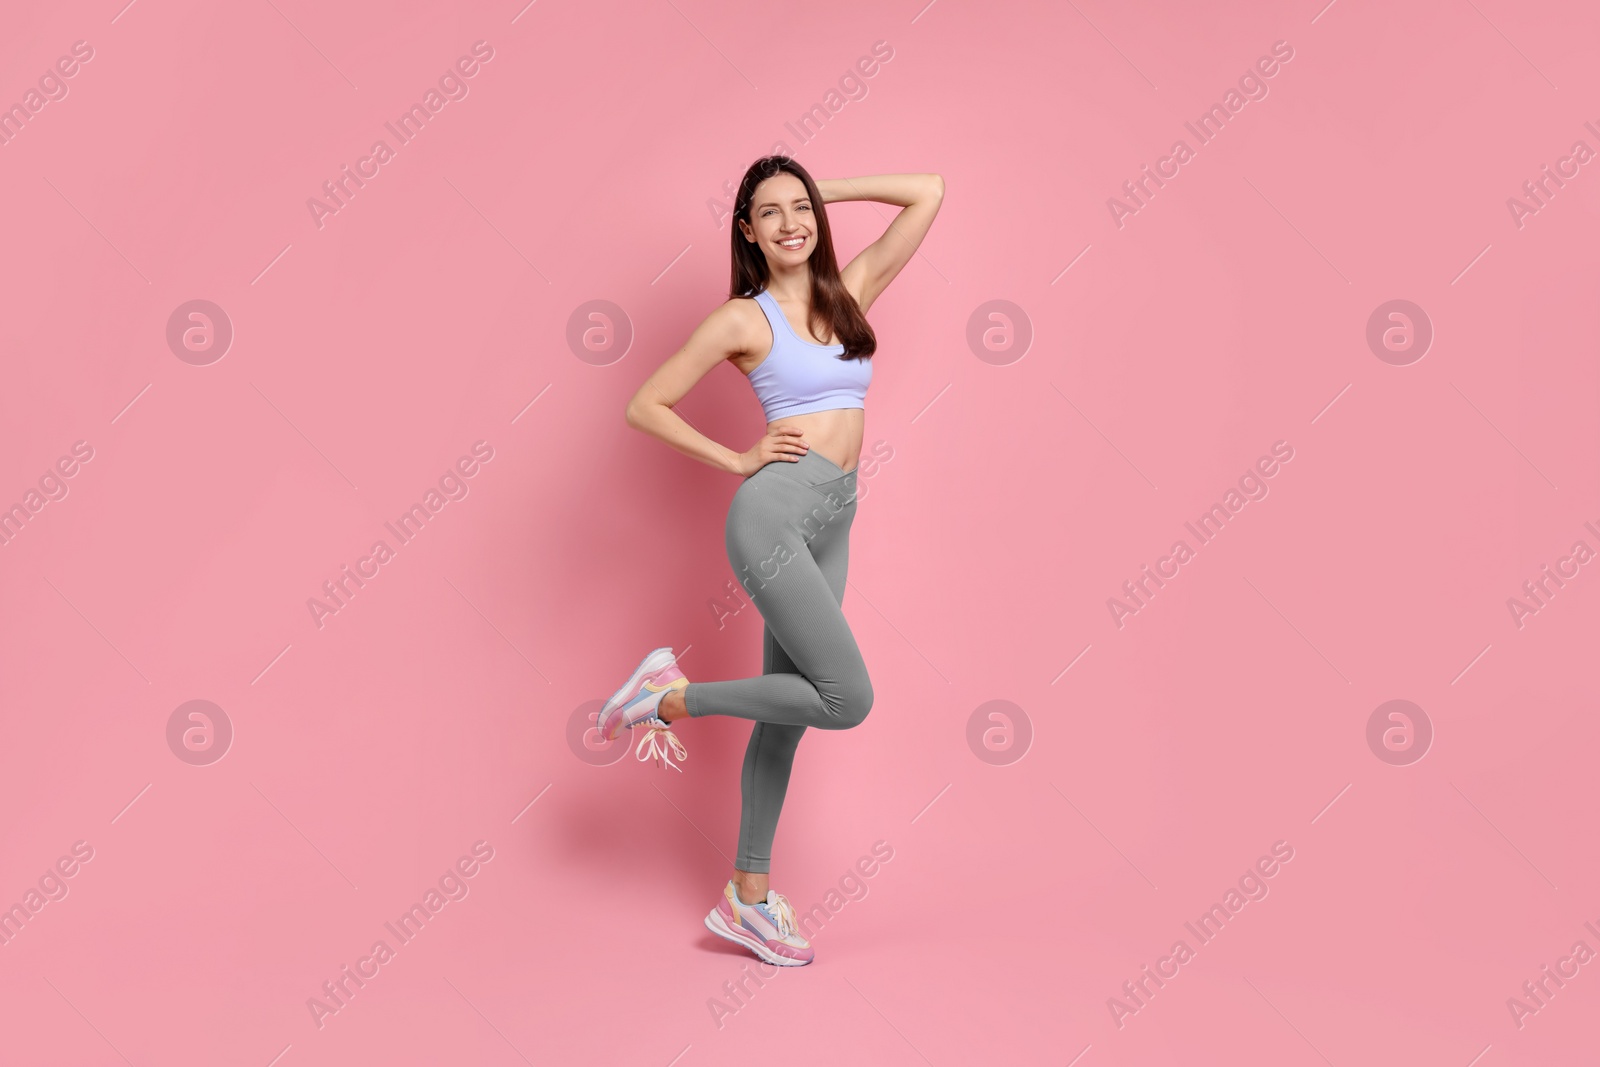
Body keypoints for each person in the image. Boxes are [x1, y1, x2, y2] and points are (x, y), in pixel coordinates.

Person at [603, 156, 944, 967]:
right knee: (845, 695)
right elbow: (643, 402)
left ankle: (746, 900)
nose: (792, 221)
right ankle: (669, 696)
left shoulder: (848, 290)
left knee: (787, 717)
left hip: (836, 514)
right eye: (771, 211)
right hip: (775, 513)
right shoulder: (742, 319)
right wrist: (735, 458)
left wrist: (830, 189)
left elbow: (928, 190)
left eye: (803, 207)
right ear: (747, 230)